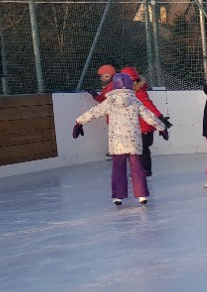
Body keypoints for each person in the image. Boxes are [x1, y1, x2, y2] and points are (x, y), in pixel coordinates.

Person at [72, 72, 167, 206]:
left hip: (117, 143)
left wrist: (79, 123)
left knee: (118, 168)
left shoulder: (110, 101)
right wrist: (161, 127)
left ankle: (118, 196)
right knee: (137, 168)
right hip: (133, 141)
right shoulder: (134, 100)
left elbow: (94, 112)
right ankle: (141, 195)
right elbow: (148, 115)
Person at [120, 66, 170, 178]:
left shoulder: (139, 93)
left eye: (134, 82)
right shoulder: (127, 93)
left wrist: (160, 118)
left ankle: (145, 171)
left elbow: (149, 106)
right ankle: (140, 170)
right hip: (135, 127)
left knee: (142, 149)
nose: (132, 84)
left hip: (144, 127)